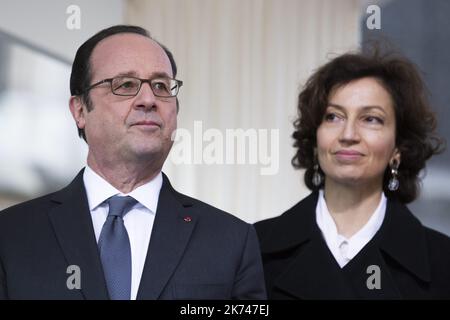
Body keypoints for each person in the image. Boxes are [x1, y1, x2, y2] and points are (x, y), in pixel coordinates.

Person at [0, 25, 266, 300]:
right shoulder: (11, 235)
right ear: (80, 110)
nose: (149, 100)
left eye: (162, 86)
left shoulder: (231, 241)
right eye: (126, 84)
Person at [255, 50, 450, 299]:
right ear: (315, 139)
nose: (348, 135)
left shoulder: (442, 262)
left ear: (398, 148)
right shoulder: (253, 249)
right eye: (333, 117)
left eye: (371, 119)